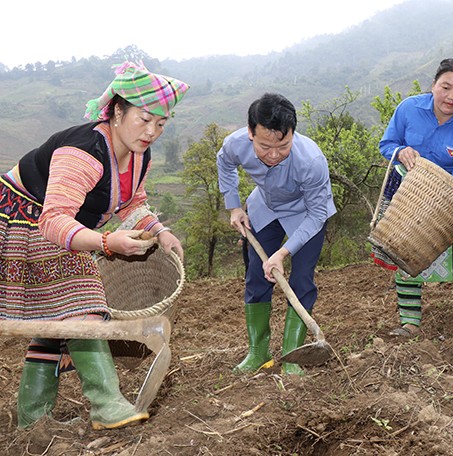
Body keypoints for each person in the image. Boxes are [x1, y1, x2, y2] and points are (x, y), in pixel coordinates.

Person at [0, 61, 189, 430]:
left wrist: (160, 231)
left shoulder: (138, 154)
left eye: (161, 124)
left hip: (55, 224)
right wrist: (106, 241)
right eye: (144, 119)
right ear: (117, 112)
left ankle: (32, 421)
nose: (152, 132)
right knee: (82, 295)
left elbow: (133, 202)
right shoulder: (83, 151)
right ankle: (106, 404)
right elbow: (53, 221)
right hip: (22, 220)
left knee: (57, 317)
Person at [375, 57, 453, 337]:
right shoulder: (409, 108)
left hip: (448, 197)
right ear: (433, 86)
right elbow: (386, 144)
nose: (452, 96)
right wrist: (400, 152)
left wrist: (435, 211)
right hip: (406, 190)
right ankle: (410, 323)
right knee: (402, 240)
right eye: (446, 87)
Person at [217, 93, 336, 376]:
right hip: (266, 206)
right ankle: (258, 352)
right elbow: (225, 164)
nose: (273, 154)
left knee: (300, 279)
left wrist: (283, 253)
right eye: (264, 146)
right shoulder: (235, 144)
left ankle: (292, 356)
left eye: (282, 146)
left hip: (306, 215)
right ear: (250, 133)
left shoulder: (311, 161)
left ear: (293, 134)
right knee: (257, 275)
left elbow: (317, 215)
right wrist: (234, 207)